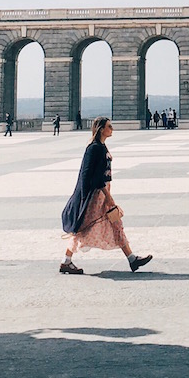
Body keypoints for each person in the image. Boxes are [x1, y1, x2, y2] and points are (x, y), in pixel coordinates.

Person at [60, 117, 152, 275]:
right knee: (86, 227)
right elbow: (88, 175)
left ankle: (132, 259)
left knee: (113, 223)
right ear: (101, 129)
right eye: (109, 126)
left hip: (102, 192)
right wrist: (106, 196)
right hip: (96, 194)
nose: (112, 129)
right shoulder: (94, 148)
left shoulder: (100, 146)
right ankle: (66, 261)